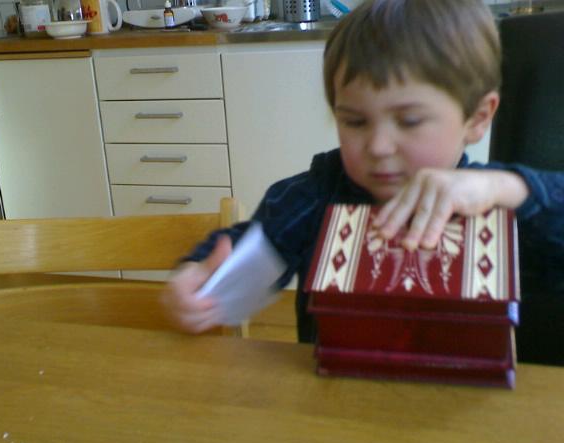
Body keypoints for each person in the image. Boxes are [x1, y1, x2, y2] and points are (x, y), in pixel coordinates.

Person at [162, 0, 564, 364]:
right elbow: (248, 255)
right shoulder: (313, 197)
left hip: (464, 410)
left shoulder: (495, 203)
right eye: (355, 121)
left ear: (477, 118)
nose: (379, 146)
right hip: (333, 406)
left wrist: (508, 189)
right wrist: (200, 279)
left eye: (409, 120)